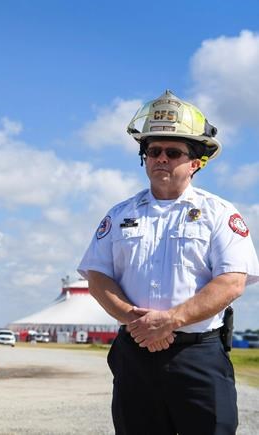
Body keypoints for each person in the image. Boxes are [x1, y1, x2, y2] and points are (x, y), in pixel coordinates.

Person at [78, 90, 259, 435]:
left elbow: (232, 281)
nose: (161, 158)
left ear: (196, 163)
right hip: (135, 355)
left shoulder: (220, 214)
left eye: (173, 152)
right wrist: (136, 320)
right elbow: (98, 276)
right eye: (153, 151)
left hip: (198, 358)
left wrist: (171, 320)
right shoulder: (118, 215)